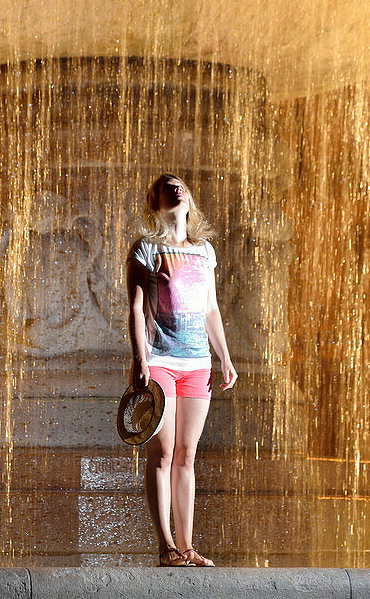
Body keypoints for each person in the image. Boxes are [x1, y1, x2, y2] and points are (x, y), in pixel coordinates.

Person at [126, 173, 238, 567]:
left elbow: (210, 309)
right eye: (165, 186)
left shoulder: (205, 252)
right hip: (159, 362)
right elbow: (137, 309)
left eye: (181, 185)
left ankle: (188, 546)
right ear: (156, 202)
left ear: (189, 198)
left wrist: (224, 356)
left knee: (187, 455)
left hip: (196, 363)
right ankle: (166, 546)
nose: (176, 188)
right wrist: (140, 360)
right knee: (163, 454)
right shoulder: (147, 249)